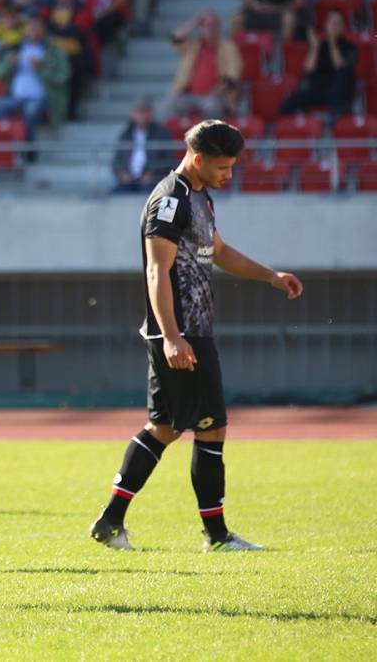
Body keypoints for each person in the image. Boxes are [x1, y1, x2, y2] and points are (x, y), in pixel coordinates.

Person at [89, 120, 303, 553]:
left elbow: (219, 252)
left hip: (185, 330)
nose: (229, 175)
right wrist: (172, 336)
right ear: (199, 159)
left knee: (163, 427)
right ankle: (217, 536)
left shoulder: (199, 196)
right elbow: (156, 270)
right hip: (183, 332)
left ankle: (110, 523)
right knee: (212, 428)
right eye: (223, 167)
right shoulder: (170, 199)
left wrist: (271, 276)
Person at [0, 15, 72, 138]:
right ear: (26, 30)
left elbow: (63, 77)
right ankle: (12, 138)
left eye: (37, 29)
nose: (34, 32)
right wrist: (9, 65)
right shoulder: (15, 48)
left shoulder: (55, 51)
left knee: (31, 110)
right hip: (16, 97)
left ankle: (28, 149)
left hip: (43, 98)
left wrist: (41, 69)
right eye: (31, 28)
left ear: (44, 31)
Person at [279, 11, 357, 119]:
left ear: (343, 28)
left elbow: (340, 67)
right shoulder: (320, 45)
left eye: (337, 23)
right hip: (319, 89)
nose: (333, 26)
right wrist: (314, 47)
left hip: (339, 93)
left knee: (342, 73)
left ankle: (337, 117)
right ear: (325, 25)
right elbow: (308, 71)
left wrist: (332, 42)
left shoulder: (350, 47)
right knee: (286, 105)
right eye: (331, 22)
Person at [165, 11, 242, 120]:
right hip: (190, 95)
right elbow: (174, 38)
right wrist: (195, 23)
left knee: (211, 106)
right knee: (170, 103)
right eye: (205, 25)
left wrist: (210, 95)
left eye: (212, 25)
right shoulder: (193, 44)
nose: (209, 29)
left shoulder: (228, 47)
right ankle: (177, 136)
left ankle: (212, 136)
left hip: (216, 96)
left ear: (218, 27)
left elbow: (232, 78)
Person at [111, 97, 177, 193]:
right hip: (129, 182)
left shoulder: (162, 134)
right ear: (133, 114)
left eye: (145, 112)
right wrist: (122, 174)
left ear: (151, 113)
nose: (143, 116)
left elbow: (168, 161)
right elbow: (117, 161)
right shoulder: (125, 135)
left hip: (153, 182)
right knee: (114, 195)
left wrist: (153, 175)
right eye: (139, 112)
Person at [230, 0, 306, 43]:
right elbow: (246, 1)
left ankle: (285, 56)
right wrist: (255, 7)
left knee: (289, 19)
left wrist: (274, 8)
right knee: (237, 18)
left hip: (282, 12)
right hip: (260, 12)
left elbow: (299, 4)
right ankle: (240, 56)